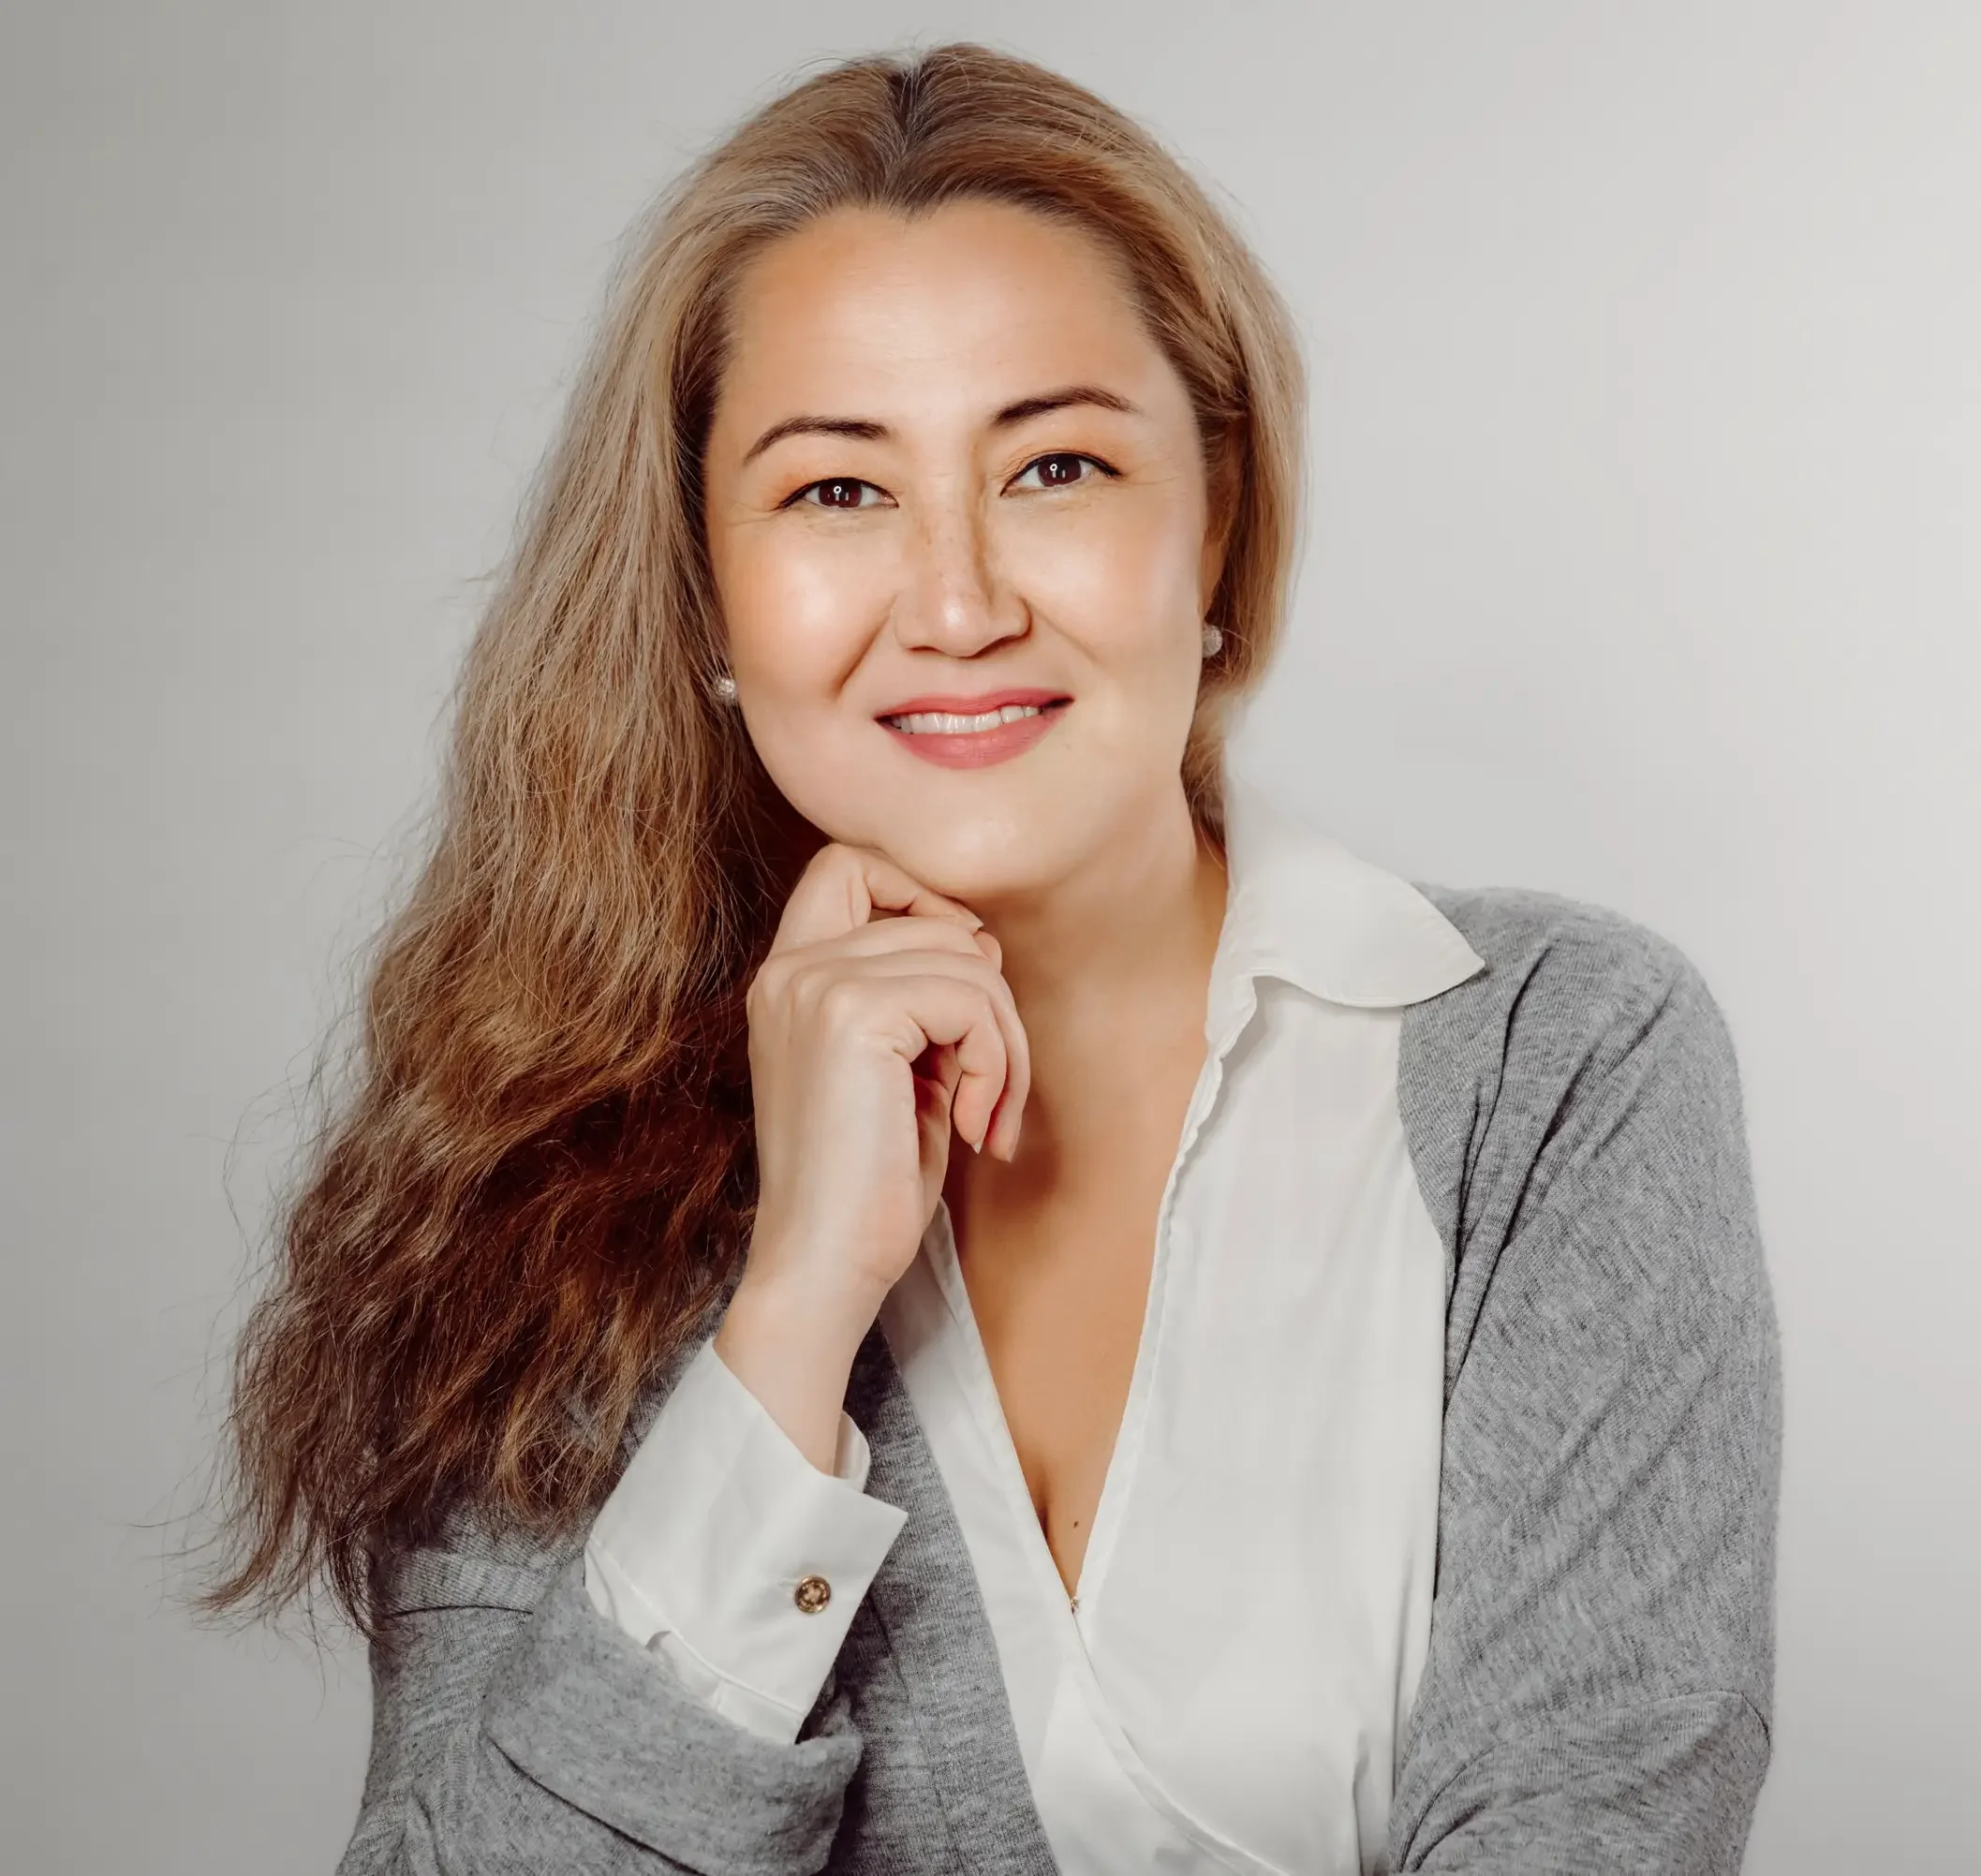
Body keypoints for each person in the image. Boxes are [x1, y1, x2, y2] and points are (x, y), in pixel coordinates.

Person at [200, 40, 1781, 1876]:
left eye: (1055, 464)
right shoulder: (535, 1185)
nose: (956, 604)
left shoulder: (1554, 1064)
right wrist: (790, 1311)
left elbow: (1600, 1809)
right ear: (706, 597)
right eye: (836, 492)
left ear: (1218, 523)